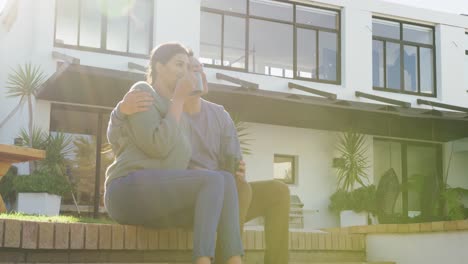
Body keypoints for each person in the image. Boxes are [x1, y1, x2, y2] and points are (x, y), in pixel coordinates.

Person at [110, 53, 291, 264]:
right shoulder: (167, 111)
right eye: (191, 69)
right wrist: (120, 111)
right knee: (232, 188)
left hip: (222, 190)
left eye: (200, 69)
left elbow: (232, 159)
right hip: (188, 196)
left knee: (275, 191)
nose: (199, 74)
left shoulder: (220, 115)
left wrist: (238, 171)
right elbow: (124, 140)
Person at [104, 42, 243, 264]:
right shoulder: (143, 91)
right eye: (179, 64)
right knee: (214, 181)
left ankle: (234, 260)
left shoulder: (178, 114)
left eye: (188, 67)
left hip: (159, 198)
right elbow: (157, 146)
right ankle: (203, 261)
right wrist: (177, 99)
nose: (184, 72)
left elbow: (179, 164)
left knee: (225, 179)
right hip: (127, 190)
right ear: (159, 66)